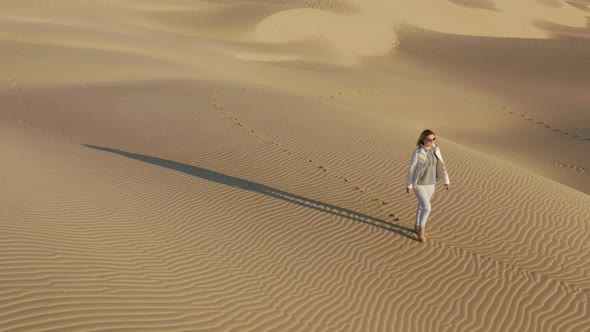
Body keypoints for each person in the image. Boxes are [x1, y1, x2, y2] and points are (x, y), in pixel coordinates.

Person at [406, 129, 451, 242]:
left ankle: (416, 225)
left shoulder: (436, 149)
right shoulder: (417, 152)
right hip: (419, 184)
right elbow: (411, 168)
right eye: (429, 140)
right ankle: (421, 229)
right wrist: (409, 185)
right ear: (423, 140)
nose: (432, 141)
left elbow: (441, 165)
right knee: (427, 207)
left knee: (422, 205)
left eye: (433, 139)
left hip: (431, 183)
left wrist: (446, 180)